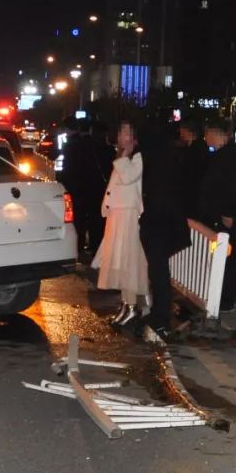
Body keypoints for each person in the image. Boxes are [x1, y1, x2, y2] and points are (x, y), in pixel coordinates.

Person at [139, 122, 191, 337]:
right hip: (165, 224)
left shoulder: (158, 162)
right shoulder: (170, 158)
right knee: (159, 272)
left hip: (160, 224)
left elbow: (160, 197)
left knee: (159, 273)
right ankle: (160, 313)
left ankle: (161, 316)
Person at [93, 120, 147, 326]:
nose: (122, 136)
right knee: (120, 263)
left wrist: (124, 155)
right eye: (121, 131)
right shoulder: (123, 157)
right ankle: (126, 304)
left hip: (129, 216)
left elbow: (128, 178)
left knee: (129, 262)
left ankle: (132, 306)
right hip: (118, 216)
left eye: (127, 131)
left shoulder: (137, 157)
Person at [196, 119, 236, 312]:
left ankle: (227, 299)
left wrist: (228, 213)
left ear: (217, 134)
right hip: (219, 215)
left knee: (229, 258)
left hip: (229, 216)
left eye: (207, 134)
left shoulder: (232, 156)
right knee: (221, 258)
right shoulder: (223, 154)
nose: (205, 139)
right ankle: (219, 296)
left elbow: (234, 187)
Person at [59, 119, 103, 257]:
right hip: (94, 187)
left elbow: (66, 169)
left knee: (78, 218)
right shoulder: (94, 145)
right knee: (94, 218)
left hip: (76, 187)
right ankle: (95, 247)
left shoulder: (70, 146)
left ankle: (78, 246)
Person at [88, 121, 116, 253]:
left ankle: (94, 247)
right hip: (106, 188)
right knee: (103, 219)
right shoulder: (110, 151)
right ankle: (102, 246)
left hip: (92, 187)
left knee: (94, 218)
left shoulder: (90, 150)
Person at [179, 118, 209, 219]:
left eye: (183, 131)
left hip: (196, 192)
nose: (181, 134)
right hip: (187, 191)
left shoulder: (199, 147)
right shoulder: (186, 147)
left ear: (190, 131)